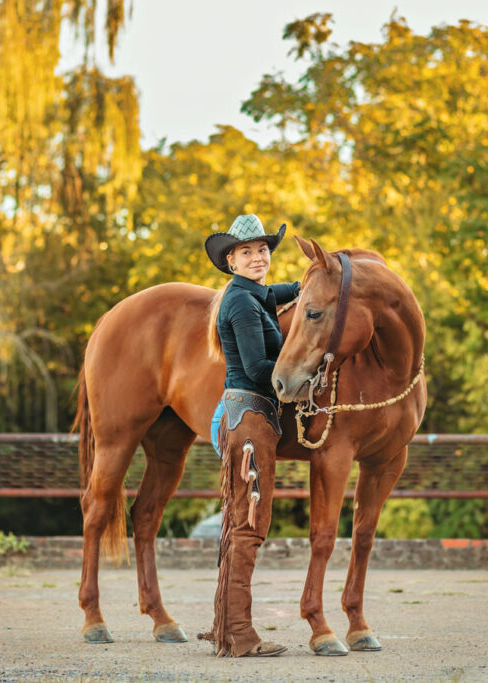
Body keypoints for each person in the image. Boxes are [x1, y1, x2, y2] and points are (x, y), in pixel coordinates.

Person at [198, 214, 300, 657]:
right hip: (250, 420)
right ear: (231, 260)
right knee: (249, 526)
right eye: (247, 252)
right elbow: (260, 369)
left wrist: (324, 273)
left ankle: (225, 627)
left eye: (263, 250)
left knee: (238, 524)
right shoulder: (240, 303)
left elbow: (287, 291)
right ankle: (239, 635)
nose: (258, 257)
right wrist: (303, 380)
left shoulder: (253, 294)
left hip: (250, 417)